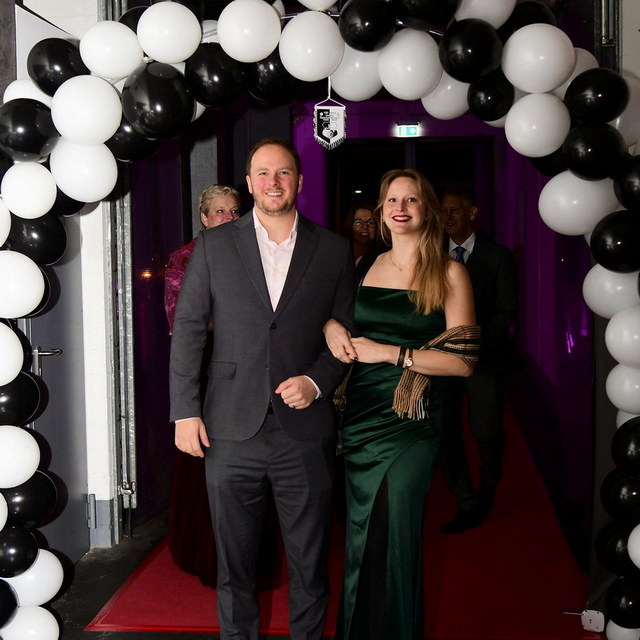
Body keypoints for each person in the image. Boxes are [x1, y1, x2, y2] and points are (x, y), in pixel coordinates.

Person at [169, 137, 356, 640]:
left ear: (299, 181)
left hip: (305, 432)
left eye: (284, 172)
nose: (274, 182)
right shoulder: (214, 245)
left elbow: (345, 329)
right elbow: (189, 328)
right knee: (234, 568)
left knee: (310, 567)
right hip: (230, 429)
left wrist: (317, 382)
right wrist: (185, 410)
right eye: (264, 173)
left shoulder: (334, 249)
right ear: (250, 183)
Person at [324, 168, 479, 640]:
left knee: (396, 532)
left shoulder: (449, 272)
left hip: (412, 418)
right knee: (362, 535)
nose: (400, 207)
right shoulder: (365, 265)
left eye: (411, 199)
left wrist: (392, 353)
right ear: (381, 211)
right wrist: (332, 327)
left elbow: (464, 362)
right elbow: (337, 318)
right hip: (360, 415)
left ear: (426, 210)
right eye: (392, 200)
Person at [438, 186, 517, 534]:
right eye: (443, 211)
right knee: (445, 429)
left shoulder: (497, 256)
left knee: (487, 429)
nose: (448, 217)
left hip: (485, 360)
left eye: (454, 210)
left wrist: (473, 348)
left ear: (471, 213)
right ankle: (465, 498)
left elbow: (506, 312)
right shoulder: (432, 255)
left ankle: (488, 481)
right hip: (441, 361)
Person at [164, 184, 241, 334]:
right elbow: (179, 320)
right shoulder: (184, 258)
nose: (230, 217)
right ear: (204, 218)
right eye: (220, 211)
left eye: (234, 211)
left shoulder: (249, 252)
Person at [340, 199, 382, 281]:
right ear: (350, 226)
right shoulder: (340, 256)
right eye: (358, 223)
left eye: (370, 223)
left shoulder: (382, 259)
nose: (365, 227)